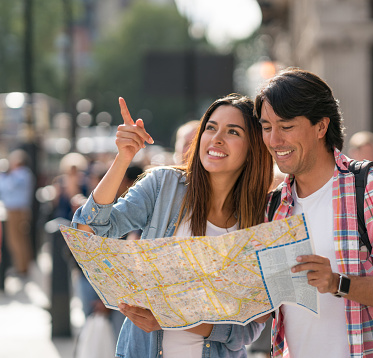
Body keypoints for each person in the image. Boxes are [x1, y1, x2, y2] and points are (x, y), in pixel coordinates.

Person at [72, 94, 273, 358]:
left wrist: (171, 318)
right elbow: (87, 232)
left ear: (252, 149)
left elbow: (248, 328)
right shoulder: (164, 186)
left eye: (233, 131)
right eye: (210, 128)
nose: (216, 138)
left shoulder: (263, 216)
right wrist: (122, 159)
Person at [254, 67, 373, 357]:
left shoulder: (371, 186)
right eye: (267, 127)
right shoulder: (275, 205)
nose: (274, 140)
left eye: (286, 126)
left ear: (321, 127)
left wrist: (336, 282)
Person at [0, 149, 35, 276]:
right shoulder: (20, 174)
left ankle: (22, 268)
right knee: (18, 240)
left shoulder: (21, 174)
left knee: (17, 240)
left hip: (17, 211)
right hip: (16, 210)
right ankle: (21, 266)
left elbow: (5, 187)